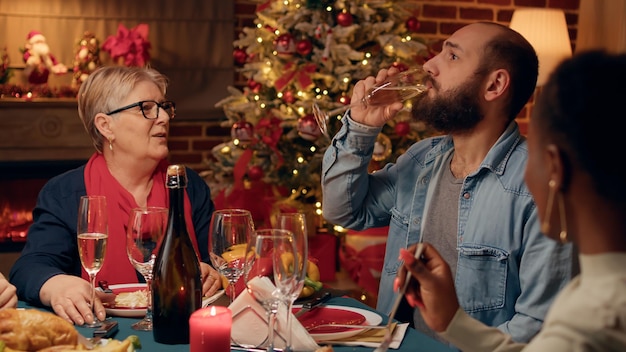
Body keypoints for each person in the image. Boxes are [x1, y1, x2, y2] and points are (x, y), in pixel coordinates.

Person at [321, 21, 574, 345]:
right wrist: (360, 128)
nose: (429, 65)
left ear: (494, 85)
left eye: (452, 57)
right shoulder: (423, 158)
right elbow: (344, 211)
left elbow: (537, 328)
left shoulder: (543, 189)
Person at [397, 50, 626, 351]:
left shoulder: (589, 324)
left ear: (555, 168)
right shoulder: (596, 295)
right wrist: (454, 321)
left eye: (531, 156)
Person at [9, 65, 221, 326]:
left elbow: (220, 259)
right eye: (147, 108)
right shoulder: (65, 193)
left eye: (164, 107)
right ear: (105, 126)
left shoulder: (187, 185)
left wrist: (213, 272)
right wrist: (57, 285)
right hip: (99, 334)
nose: (164, 117)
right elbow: (30, 267)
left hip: (181, 328)